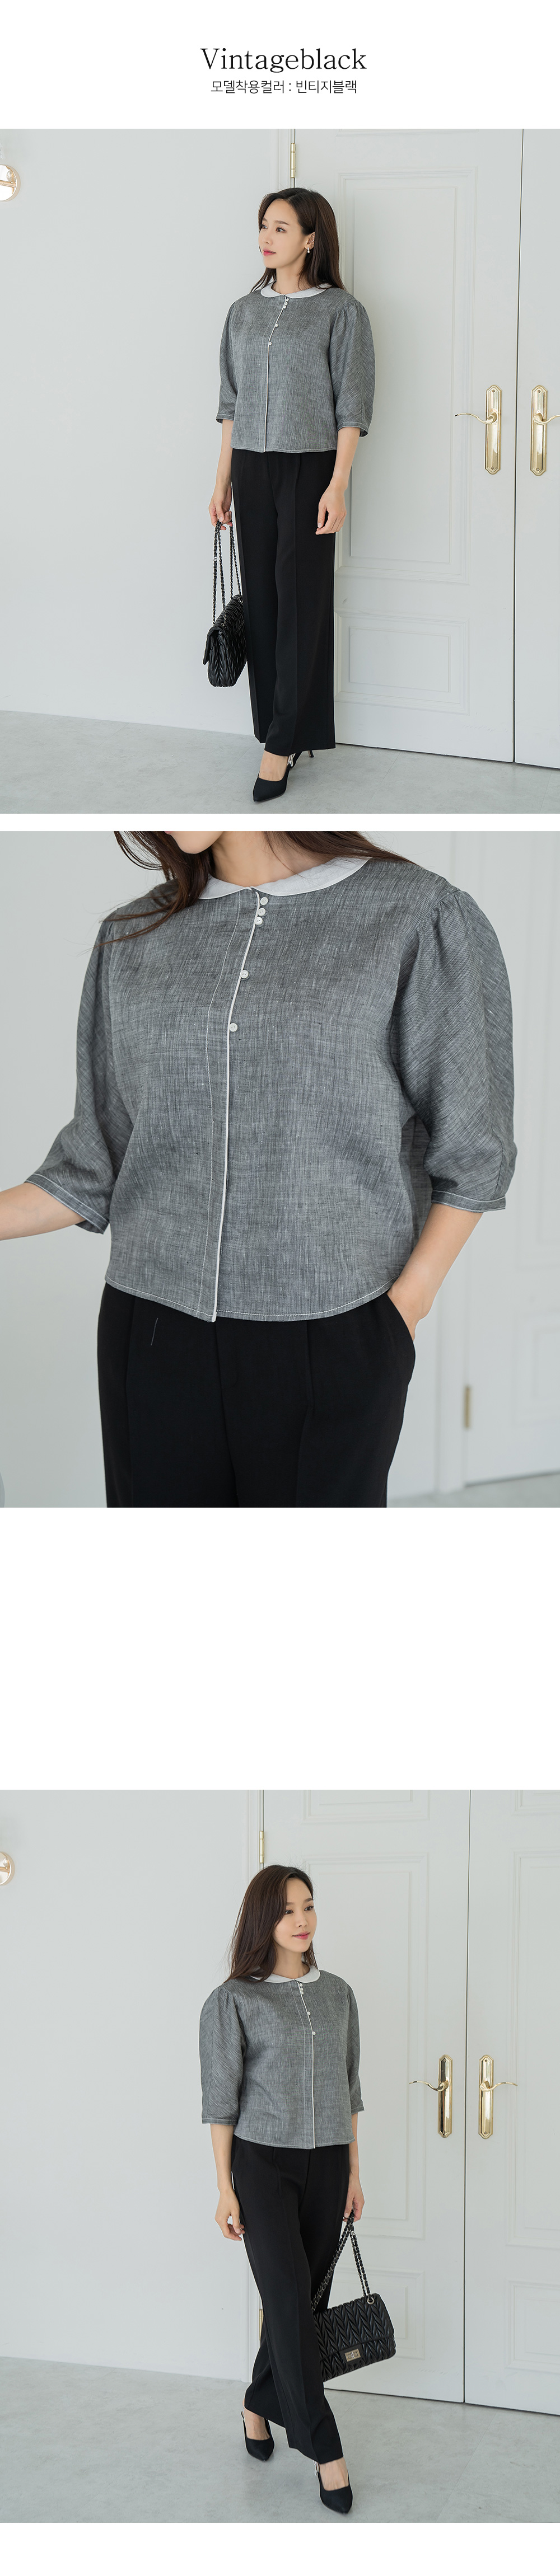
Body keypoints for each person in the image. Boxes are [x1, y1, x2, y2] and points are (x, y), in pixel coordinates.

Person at [0, 828, 516, 1510]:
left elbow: (474, 1147)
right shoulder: (130, 936)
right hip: (149, 1329)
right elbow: (92, 1166)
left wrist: (403, 1312)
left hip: (334, 1329)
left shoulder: (418, 914)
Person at [199, 1864, 363, 2514]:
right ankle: (326, 2448)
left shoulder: (339, 1993)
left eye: (309, 1906)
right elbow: (221, 2103)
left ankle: (257, 2401)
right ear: (263, 1919)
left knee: (303, 2304)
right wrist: (224, 2187)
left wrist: (354, 2172)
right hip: (262, 2167)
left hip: (328, 2166)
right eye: (288, 1909)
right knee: (289, 2301)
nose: (302, 1920)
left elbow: (350, 2091)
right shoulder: (233, 2000)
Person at [209, 190, 375, 801]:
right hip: (251, 466)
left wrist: (338, 483)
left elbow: (352, 405)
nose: (266, 236)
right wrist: (222, 480)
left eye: (281, 227)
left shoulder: (341, 311)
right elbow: (230, 403)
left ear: (311, 238)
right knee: (264, 603)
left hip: (310, 468)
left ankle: (282, 743)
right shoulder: (242, 313)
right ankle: (273, 729)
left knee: (300, 602)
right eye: (263, 225)